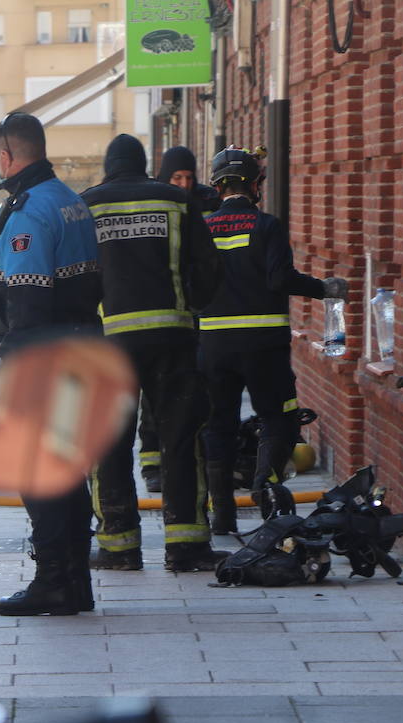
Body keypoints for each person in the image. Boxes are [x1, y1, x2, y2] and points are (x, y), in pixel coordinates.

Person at [80, 134, 229, 573]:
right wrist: (191, 307)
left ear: (109, 165)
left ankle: (119, 546)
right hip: (172, 338)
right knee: (180, 441)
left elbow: (72, 275)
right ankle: (186, 546)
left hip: (109, 343)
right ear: (146, 165)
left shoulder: (85, 205)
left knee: (109, 444)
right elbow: (209, 266)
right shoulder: (176, 201)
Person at [0, 112, 103, 617]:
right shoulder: (70, 200)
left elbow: (28, 300)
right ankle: (74, 581)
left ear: (8, 156)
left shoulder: (30, 211)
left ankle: (53, 581)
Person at [198, 147, 346, 533]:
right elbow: (280, 279)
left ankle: (222, 518)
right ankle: (266, 497)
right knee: (278, 419)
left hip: (213, 345)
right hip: (263, 344)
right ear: (254, 184)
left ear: (217, 186)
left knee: (219, 425)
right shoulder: (266, 225)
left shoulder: (202, 228)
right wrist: (324, 288)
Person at [135, 144, 221, 493]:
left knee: (190, 395)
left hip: (193, 316)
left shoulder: (204, 204)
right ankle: (152, 462)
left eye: (188, 177)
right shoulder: (155, 203)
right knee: (152, 396)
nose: (183, 184)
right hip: (160, 314)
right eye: (176, 177)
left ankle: (185, 462)